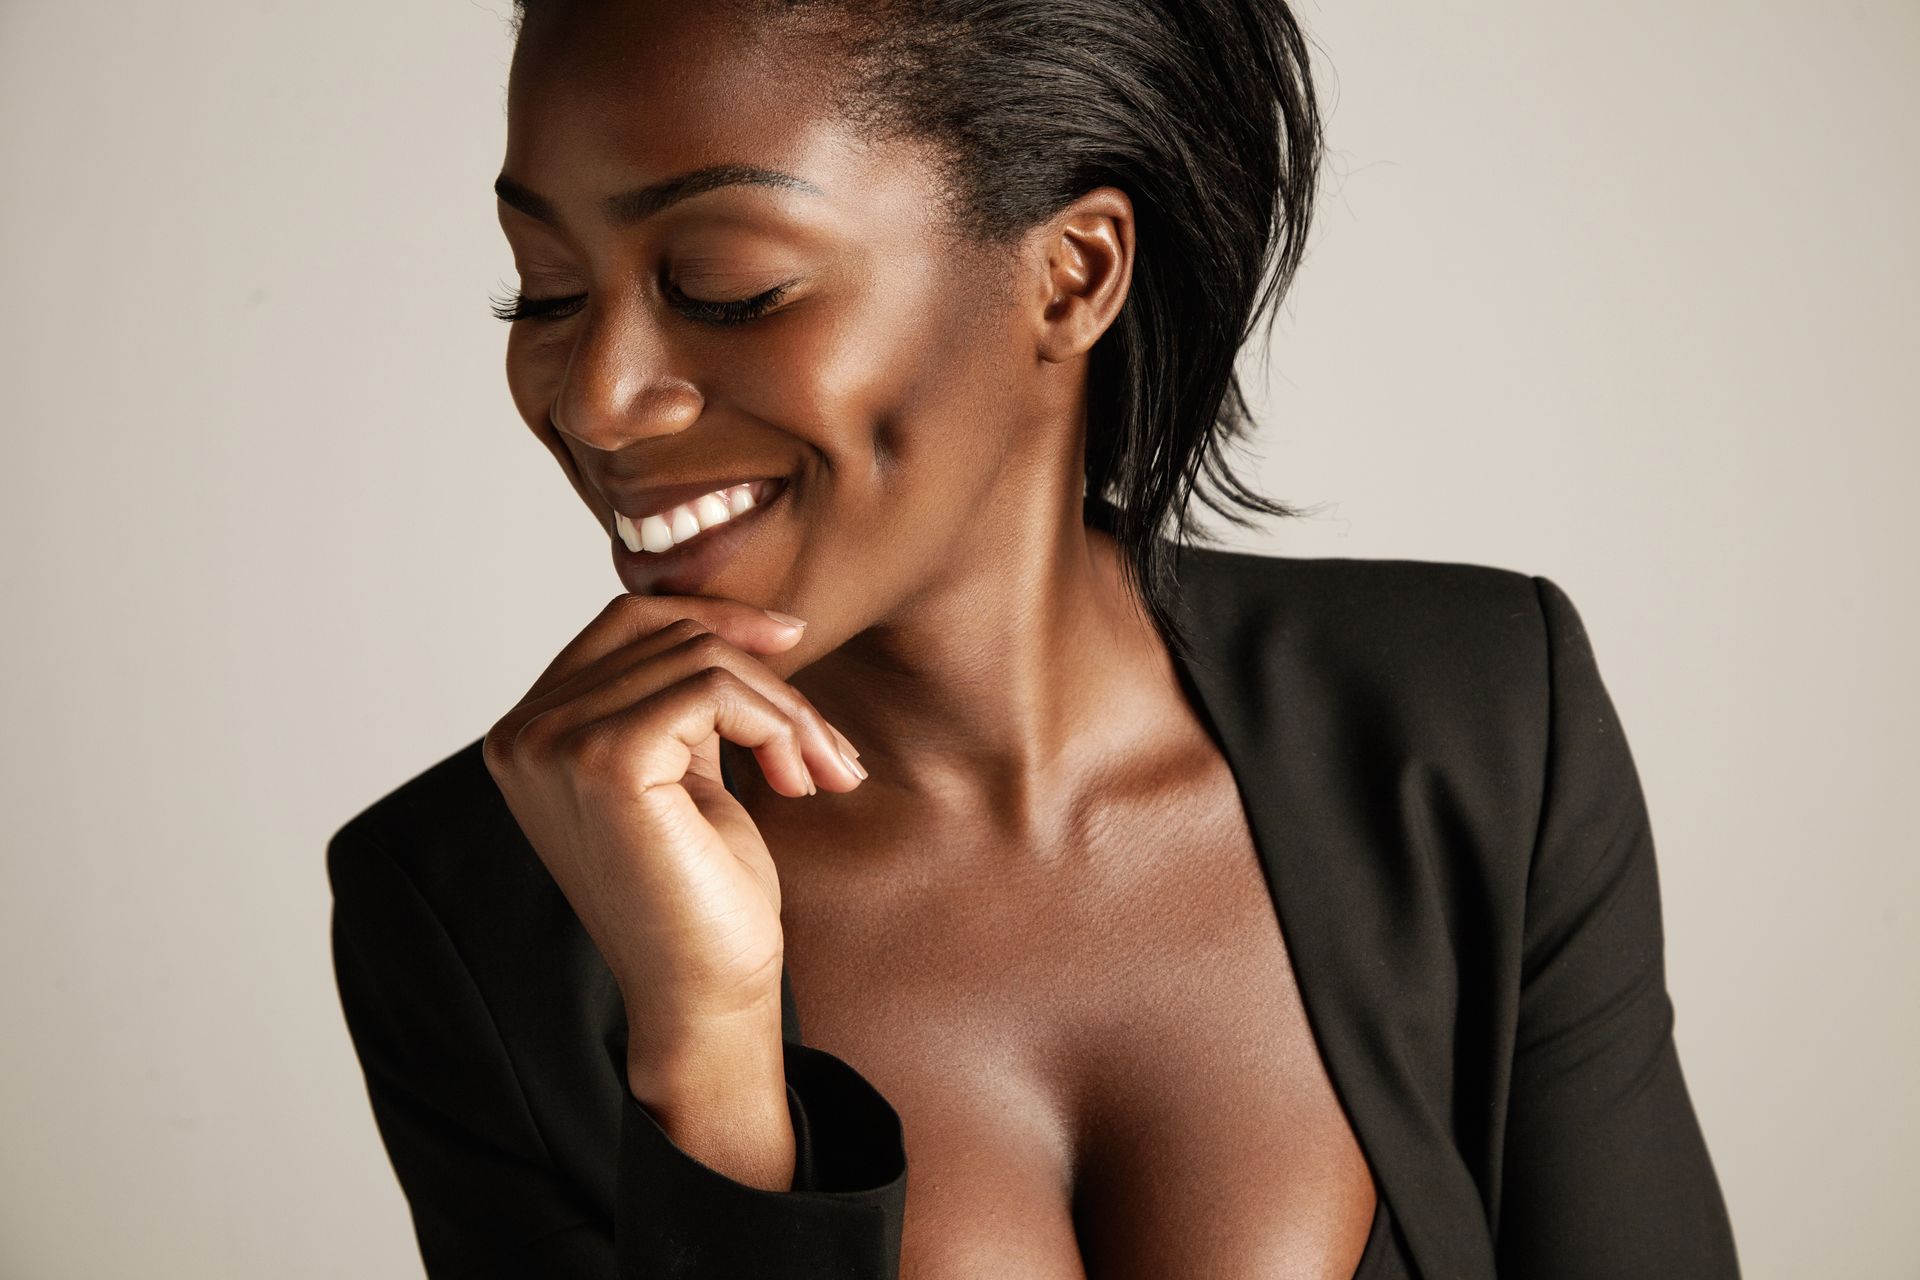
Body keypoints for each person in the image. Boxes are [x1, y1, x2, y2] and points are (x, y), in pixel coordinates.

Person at [326, 1, 1742, 1276]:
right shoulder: (470, 906)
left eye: (725, 283)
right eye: (547, 289)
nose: (598, 398)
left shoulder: (1480, 719)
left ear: (1072, 274)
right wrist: (710, 1064)